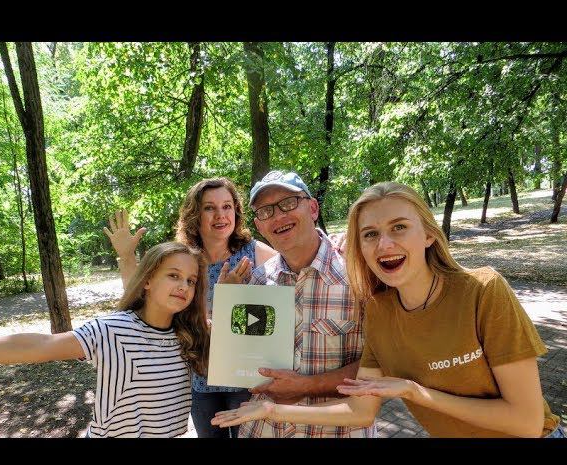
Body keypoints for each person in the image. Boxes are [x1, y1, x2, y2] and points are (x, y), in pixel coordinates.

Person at [212, 181, 565, 438]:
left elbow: (527, 422)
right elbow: (360, 409)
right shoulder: (379, 308)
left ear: (429, 234)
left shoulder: (483, 290)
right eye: (370, 234)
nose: (385, 244)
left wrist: (414, 391)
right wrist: (270, 408)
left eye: (399, 227)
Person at [0, 242, 210, 438]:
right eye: (174, 275)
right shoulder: (113, 330)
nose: (184, 286)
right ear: (147, 280)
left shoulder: (189, 335)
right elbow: (41, 345)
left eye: (191, 280)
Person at [105, 178, 277, 438]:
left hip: (247, 381)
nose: (220, 215)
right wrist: (127, 257)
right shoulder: (183, 260)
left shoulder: (256, 253)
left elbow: (292, 280)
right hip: (201, 382)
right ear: (194, 214)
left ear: (236, 211)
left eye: (227, 206)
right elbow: (143, 297)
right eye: (209, 208)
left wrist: (333, 244)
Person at [220, 170, 375, 438]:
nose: (278, 216)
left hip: (337, 431)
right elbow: (243, 364)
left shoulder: (360, 276)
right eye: (266, 211)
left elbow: (380, 367)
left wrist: (306, 385)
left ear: (313, 208)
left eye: (288, 203)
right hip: (265, 430)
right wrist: (229, 307)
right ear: (259, 226)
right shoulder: (258, 281)